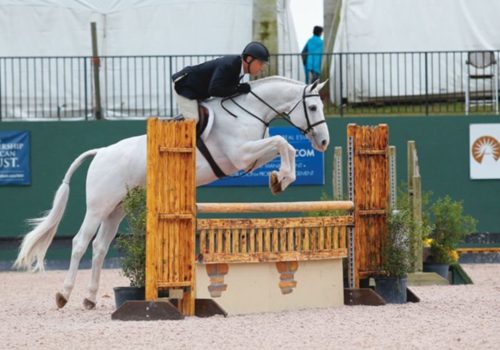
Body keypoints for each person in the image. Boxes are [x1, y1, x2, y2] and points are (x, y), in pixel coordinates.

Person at [171, 41, 270, 122]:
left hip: (198, 91)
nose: (261, 68)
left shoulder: (238, 69)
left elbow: (225, 90)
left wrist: (237, 88)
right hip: (185, 85)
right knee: (193, 120)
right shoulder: (230, 65)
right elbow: (214, 90)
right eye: (260, 63)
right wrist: (238, 88)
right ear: (248, 59)